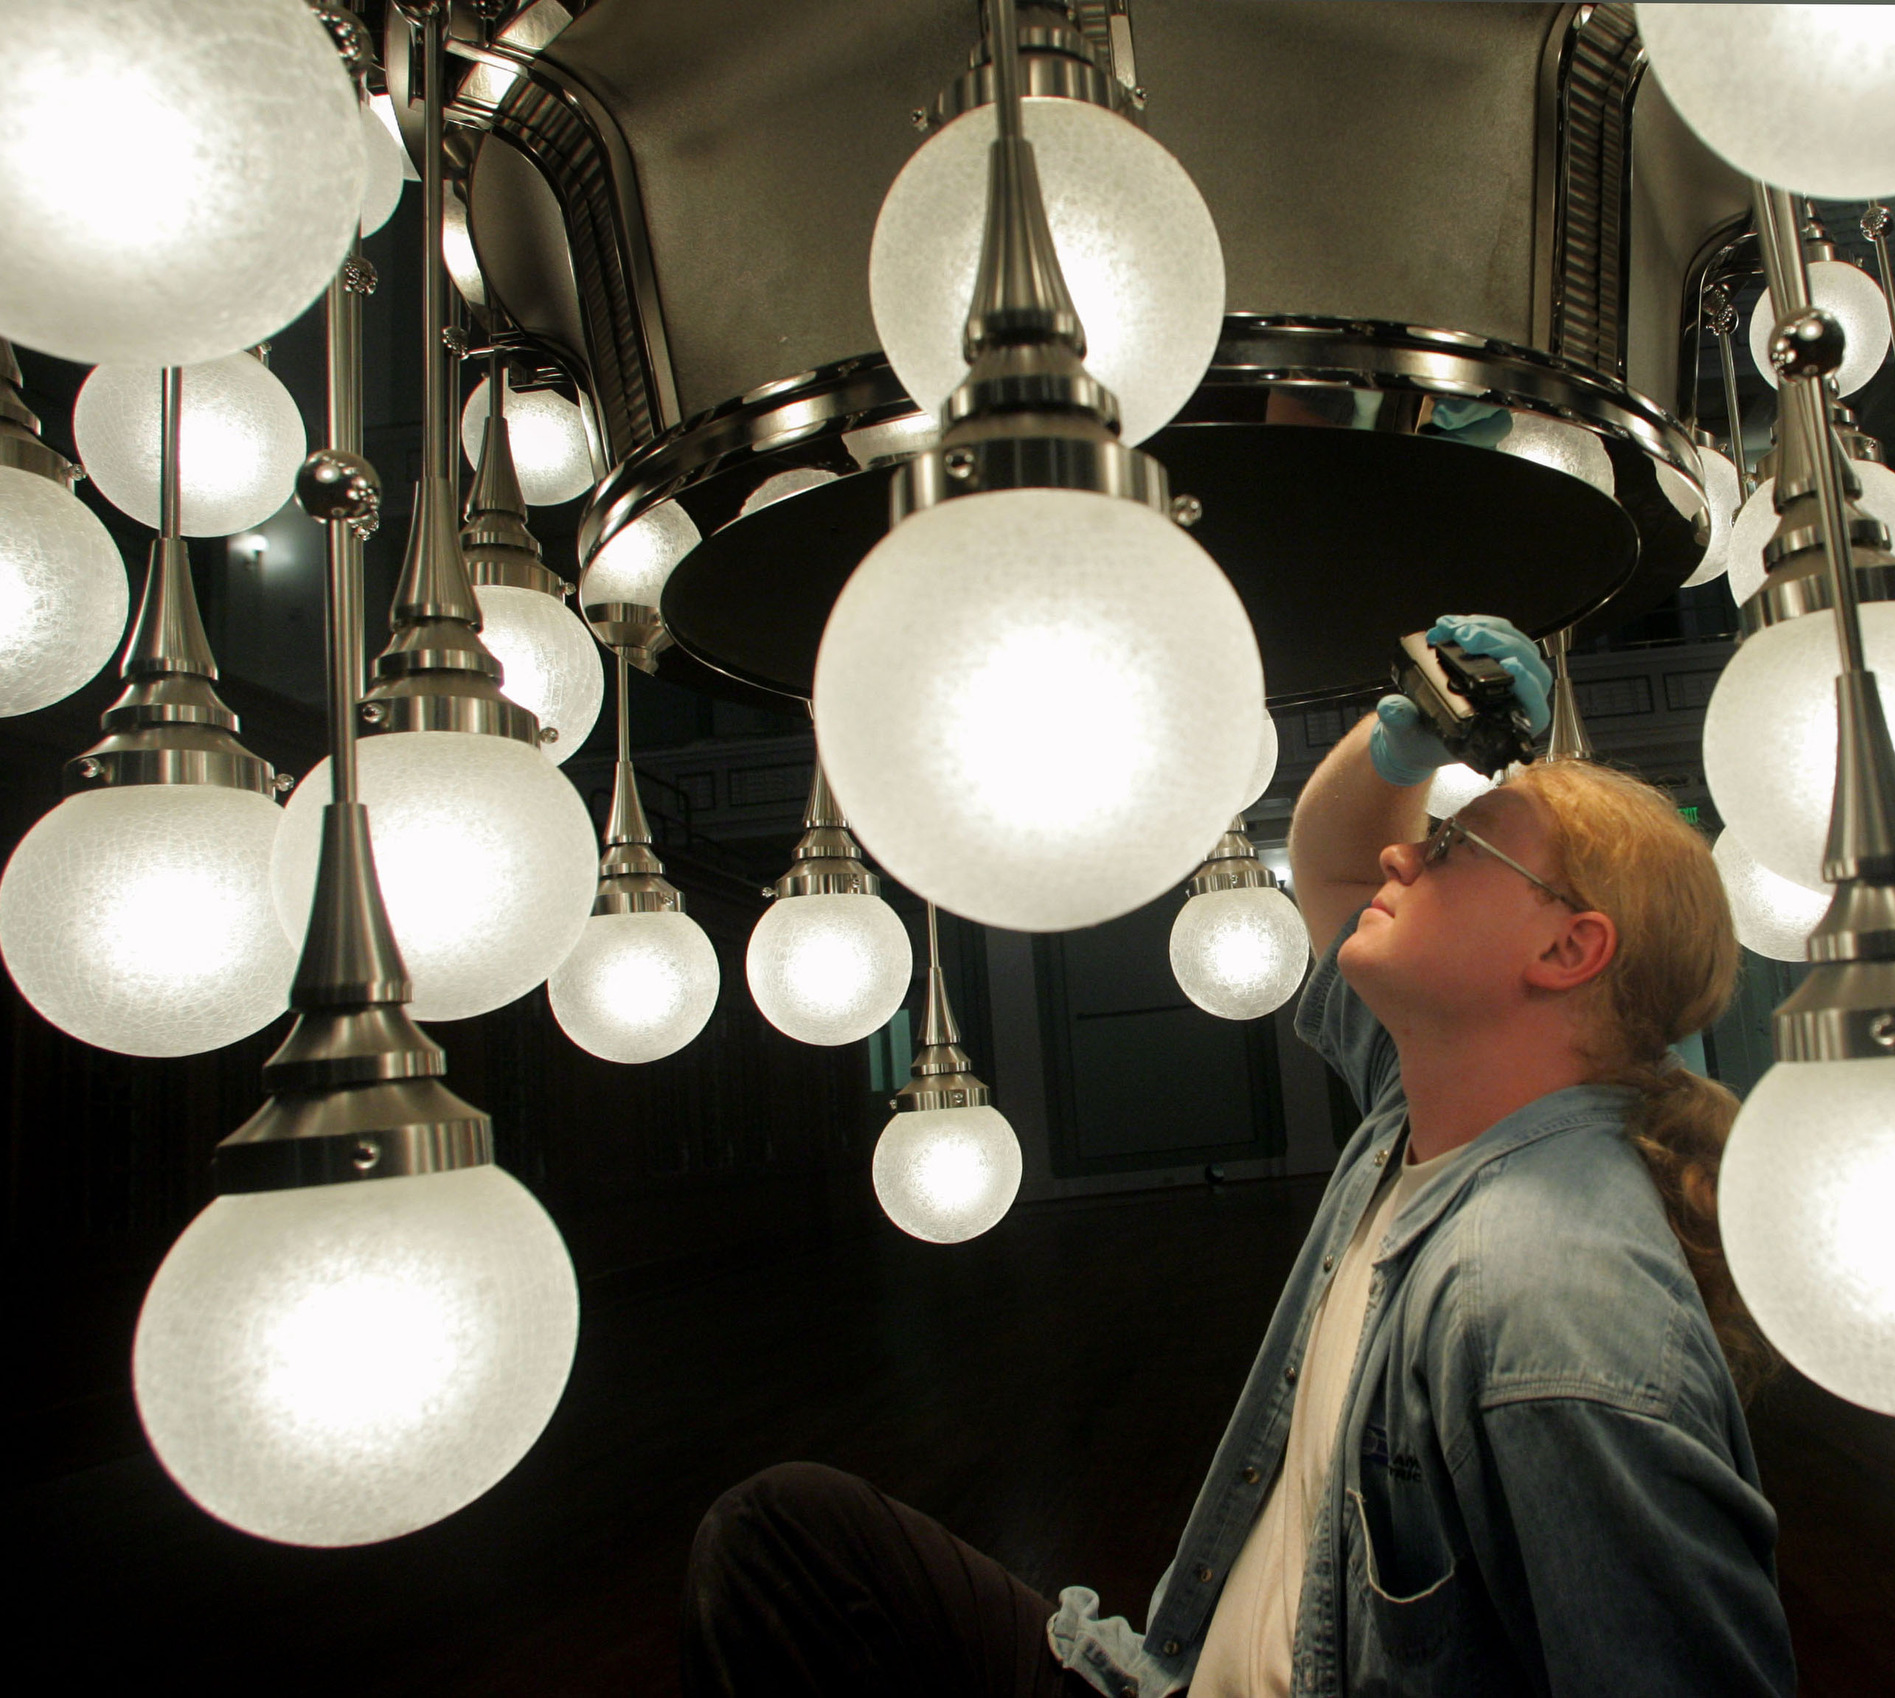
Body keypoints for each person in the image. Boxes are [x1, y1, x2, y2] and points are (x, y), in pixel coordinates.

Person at [682, 614, 1795, 1698]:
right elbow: (1345, 864)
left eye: (1457, 844)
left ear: (1566, 946)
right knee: (787, 1538)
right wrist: (1406, 730)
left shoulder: (1553, 1305)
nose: (1411, 843)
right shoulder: (1440, 1105)